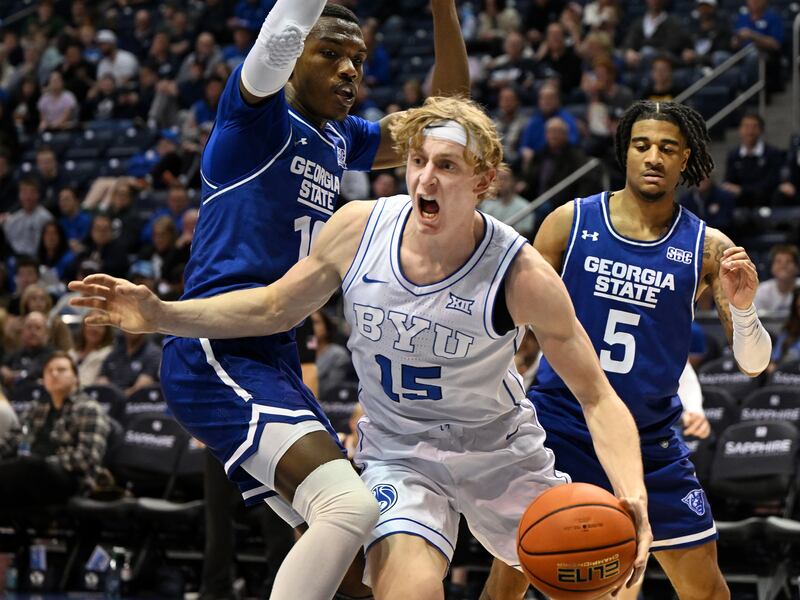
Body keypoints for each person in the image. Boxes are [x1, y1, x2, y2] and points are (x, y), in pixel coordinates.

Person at [71, 95, 652, 600]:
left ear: (484, 180)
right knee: (409, 589)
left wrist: (632, 496)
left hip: (499, 452)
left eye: (446, 167)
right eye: (418, 161)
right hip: (400, 453)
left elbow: (597, 397)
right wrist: (161, 314)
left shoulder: (519, 273)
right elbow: (272, 306)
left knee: (604, 570)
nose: (425, 179)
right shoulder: (358, 227)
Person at [83, 2, 469, 599]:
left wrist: (443, 7)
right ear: (294, 60)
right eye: (332, 54)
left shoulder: (341, 138)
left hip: (276, 356)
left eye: (358, 61)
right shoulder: (252, 120)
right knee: (348, 506)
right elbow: (285, 25)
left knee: (354, 570)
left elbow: (447, 117)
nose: (349, 71)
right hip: (217, 348)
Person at [486, 100, 771, 600]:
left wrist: (745, 309)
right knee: (510, 577)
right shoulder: (568, 223)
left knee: (708, 591)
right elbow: (514, 332)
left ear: (686, 159)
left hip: (652, 441)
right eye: (642, 145)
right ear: (625, 152)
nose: (653, 157)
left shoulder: (710, 248)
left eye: (667, 148)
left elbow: (753, 364)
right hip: (562, 428)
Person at [0, 351, 110, 509]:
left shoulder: (89, 408)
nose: (54, 374)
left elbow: (87, 458)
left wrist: (47, 462)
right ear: (43, 380)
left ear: (76, 378)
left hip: (70, 479)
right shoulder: (37, 408)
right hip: (30, 474)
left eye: (61, 370)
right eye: (49, 371)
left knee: (28, 464)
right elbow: (12, 439)